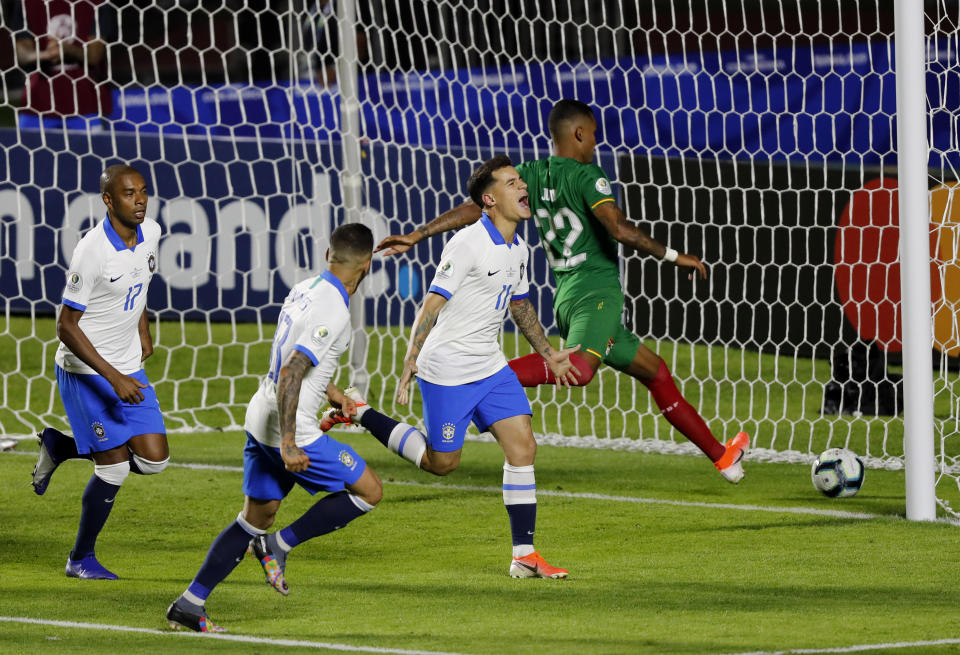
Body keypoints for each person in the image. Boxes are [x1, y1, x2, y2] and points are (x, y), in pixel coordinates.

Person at [376, 99, 750, 483]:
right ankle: (481, 382)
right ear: (579, 133)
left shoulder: (531, 175)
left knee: (655, 371)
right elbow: (619, 230)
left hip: (568, 299)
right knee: (582, 370)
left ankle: (722, 456)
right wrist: (674, 256)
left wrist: (419, 233)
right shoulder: (589, 176)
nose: (595, 143)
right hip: (597, 295)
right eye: (594, 135)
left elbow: (480, 205)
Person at [326, 155, 578, 579]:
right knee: (442, 463)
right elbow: (432, 303)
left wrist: (547, 352)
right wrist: (410, 362)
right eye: (512, 182)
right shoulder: (466, 243)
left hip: (490, 365)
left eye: (521, 181)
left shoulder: (520, 246)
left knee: (523, 449)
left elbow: (519, 305)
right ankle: (360, 411)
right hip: (449, 369)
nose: (523, 187)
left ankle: (524, 555)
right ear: (489, 199)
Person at [166, 223, 384, 633]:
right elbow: (291, 370)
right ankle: (278, 545)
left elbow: (293, 357)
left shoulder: (305, 288)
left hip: (258, 412)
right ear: (368, 263)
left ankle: (189, 603)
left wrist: (332, 392)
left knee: (257, 516)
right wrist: (288, 441)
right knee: (370, 490)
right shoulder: (334, 309)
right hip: (290, 427)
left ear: (328, 256)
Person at [31, 164, 169, 580]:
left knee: (154, 461)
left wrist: (143, 334)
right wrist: (113, 377)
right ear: (108, 200)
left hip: (127, 365)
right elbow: (65, 326)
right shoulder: (91, 251)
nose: (140, 199)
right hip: (85, 369)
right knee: (113, 468)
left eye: (143, 191)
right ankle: (80, 559)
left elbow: (139, 285)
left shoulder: (153, 233)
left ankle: (61, 446)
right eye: (129, 194)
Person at [11, 0, 116, 131]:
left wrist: (66, 49)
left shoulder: (97, 3)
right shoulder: (27, 3)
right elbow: (21, 55)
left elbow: (94, 55)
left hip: (88, 104)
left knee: (90, 150)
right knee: (26, 150)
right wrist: (46, 54)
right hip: (37, 104)